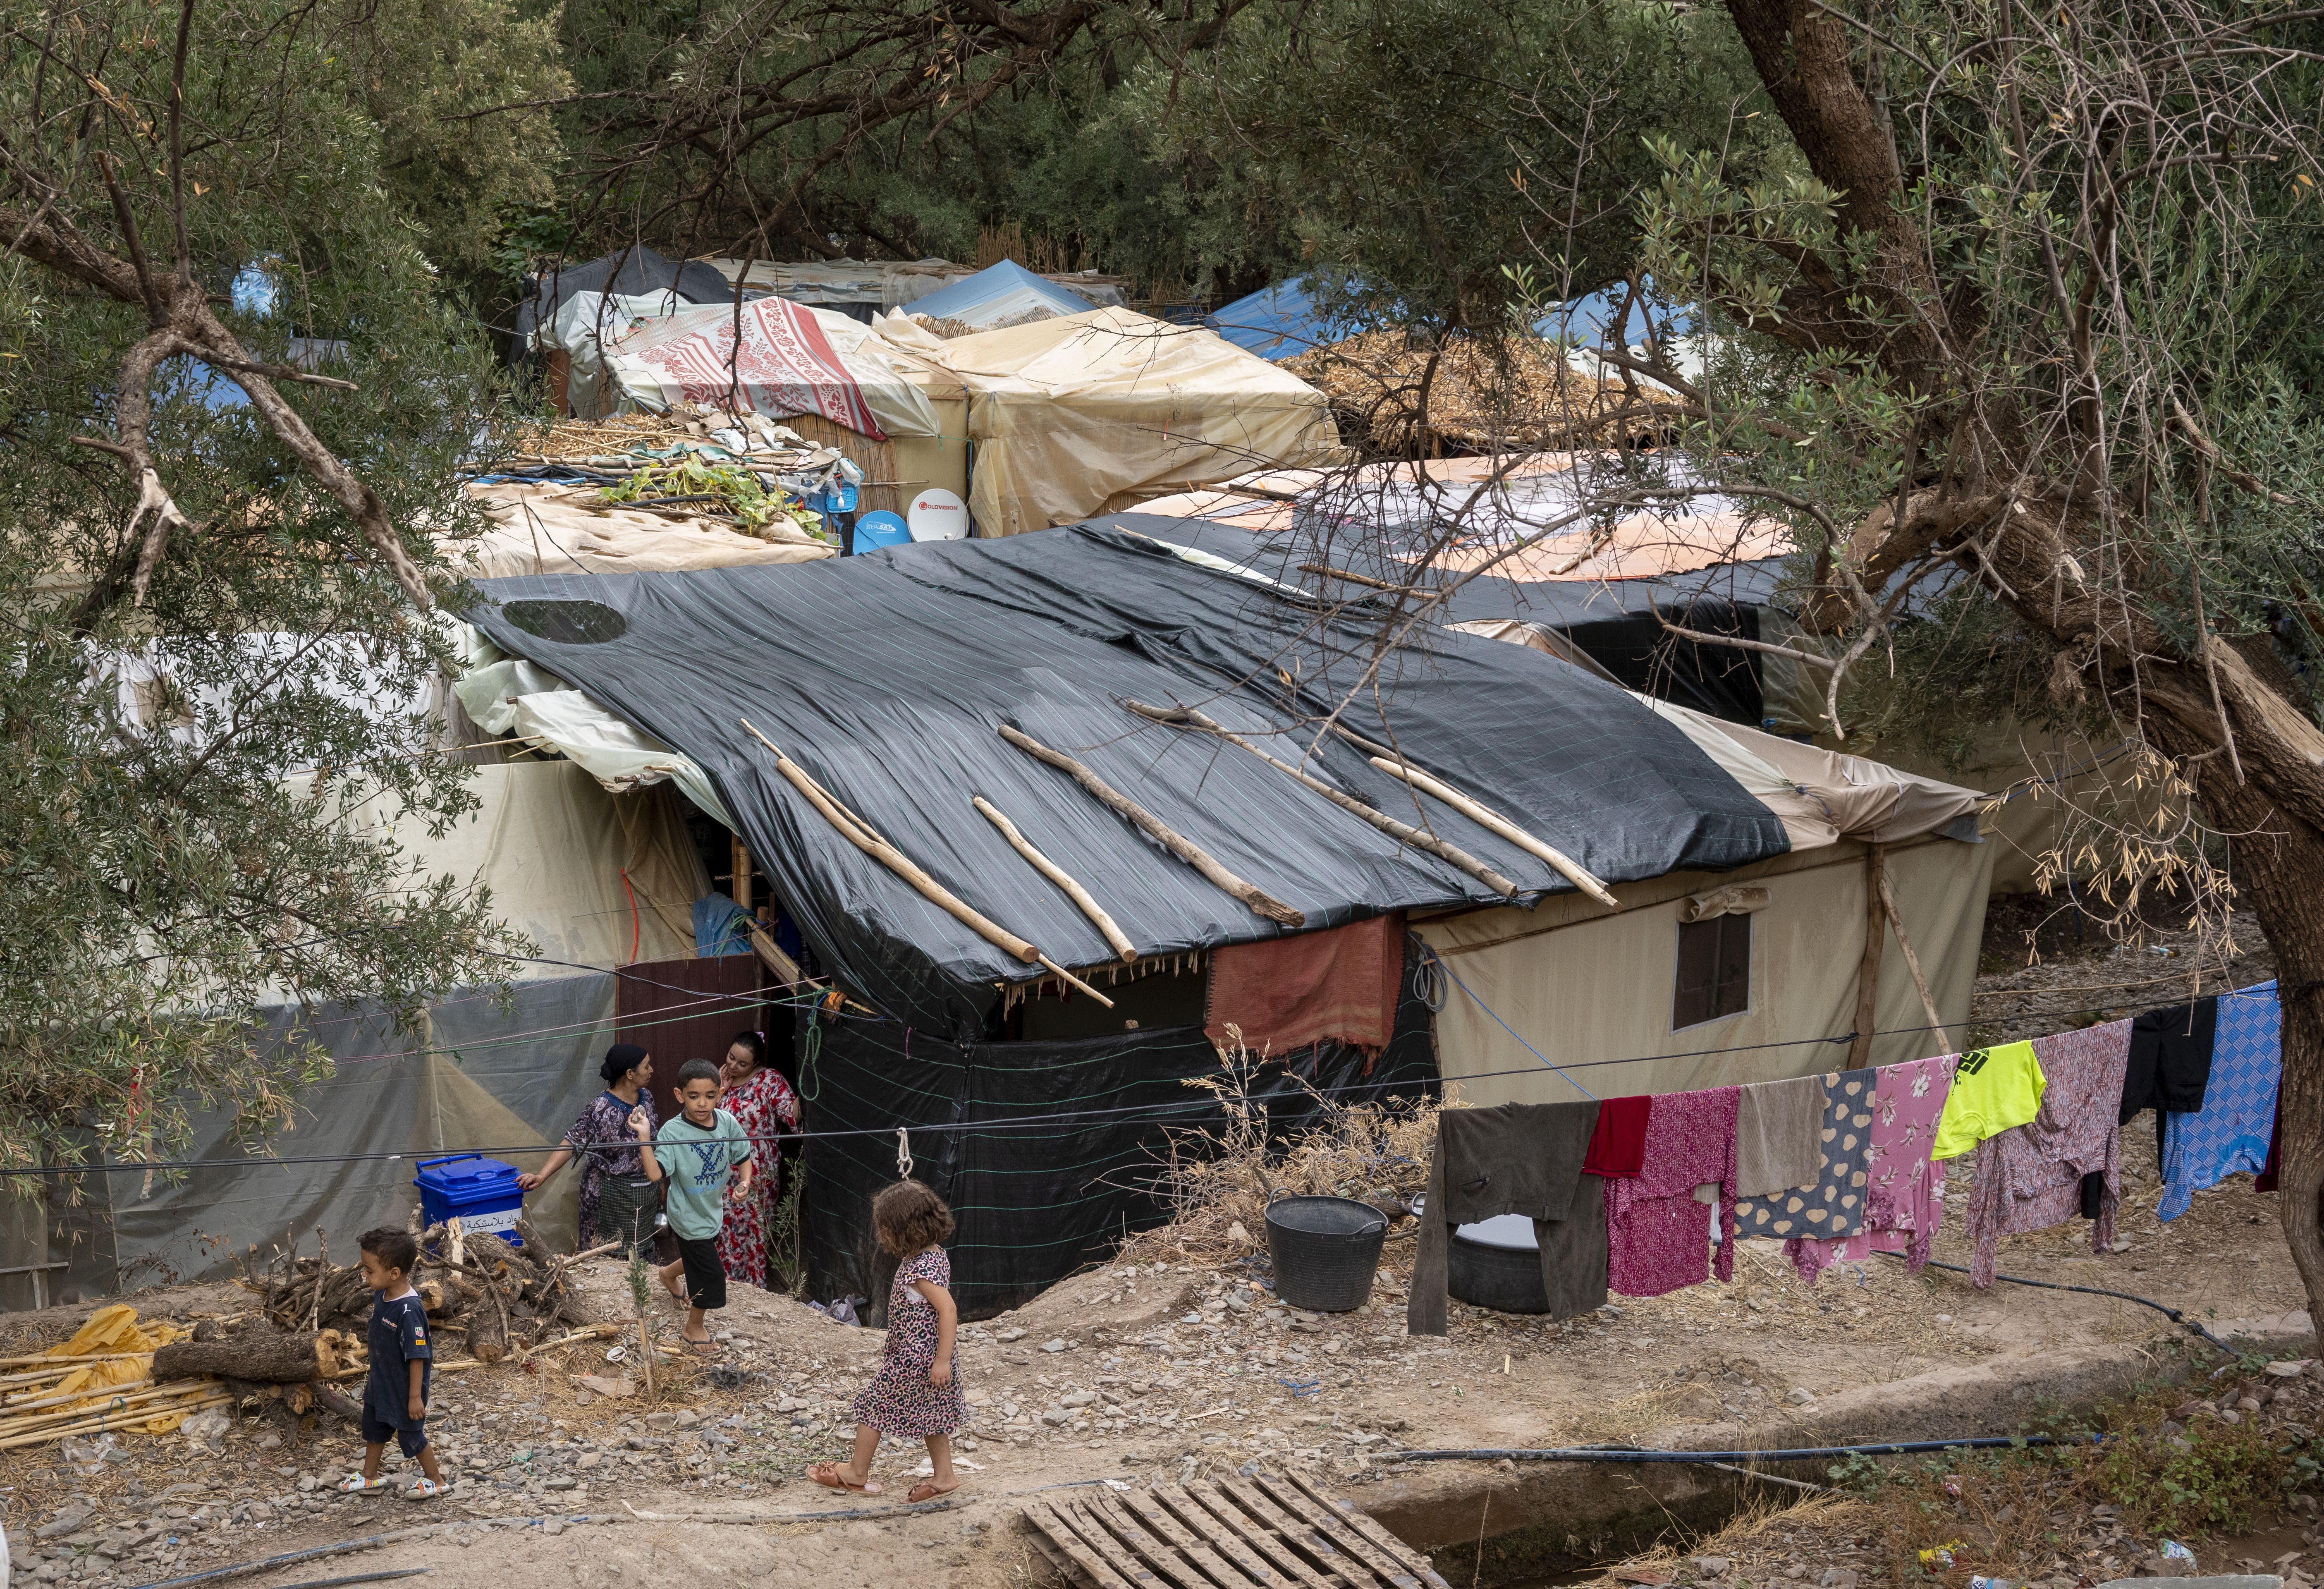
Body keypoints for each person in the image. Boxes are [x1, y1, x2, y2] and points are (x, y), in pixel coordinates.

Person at [807, 1181, 966, 1500]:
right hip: (925, 1355)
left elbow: (948, 1310)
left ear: (900, 1229)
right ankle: (945, 1477)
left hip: (916, 1358)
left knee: (873, 1407)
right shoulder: (933, 1255)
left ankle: (856, 1472)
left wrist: (942, 1361)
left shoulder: (919, 1270)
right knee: (932, 1412)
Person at [634, 1058, 753, 1351]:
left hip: (711, 1210)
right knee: (711, 1274)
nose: (702, 1104)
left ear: (721, 1094)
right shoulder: (674, 1132)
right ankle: (693, 1328)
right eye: (694, 1096)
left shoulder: (727, 1123)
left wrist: (745, 1183)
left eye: (710, 1096)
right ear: (679, 1095)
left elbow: (743, 1158)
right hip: (686, 1214)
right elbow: (654, 1174)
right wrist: (645, 1136)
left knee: (699, 1257)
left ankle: (667, 1274)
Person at [335, 1227, 446, 1501]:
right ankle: (370, 1476)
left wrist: (414, 1397)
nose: (365, 1275)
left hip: (404, 1389)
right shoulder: (382, 1295)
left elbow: (418, 1354)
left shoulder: (409, 1310)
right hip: (381, 1382)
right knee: (374, 1428)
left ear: (394, 1273)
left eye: (369, 1271)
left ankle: (437, 1480)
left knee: (411, 1436)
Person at [518, 1044, 658, 1252]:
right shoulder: (601, 1108)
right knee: (607, 1251)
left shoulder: (646, 1098)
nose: (651, 1070)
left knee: (640, 1248)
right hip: (608, 1194)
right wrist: (542, 1176)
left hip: (642, 1191)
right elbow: (572, 1141)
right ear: (630, 1074)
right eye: (646, 1066)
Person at [715, 1029, 801, 1289]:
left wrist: (807, 1084)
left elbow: (792, 1114)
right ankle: (723, 1285)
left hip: (758, 1173)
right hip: (721, 1173)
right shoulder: (720, 1080)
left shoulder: (770, 1080)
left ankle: (753, 1290)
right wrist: (720, 1090)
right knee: (724, 1229)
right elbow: (704, 1119)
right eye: (731, 1058)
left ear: (756, 1064)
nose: (733, 1066)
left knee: (754, 1230)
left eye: (742, 1064)